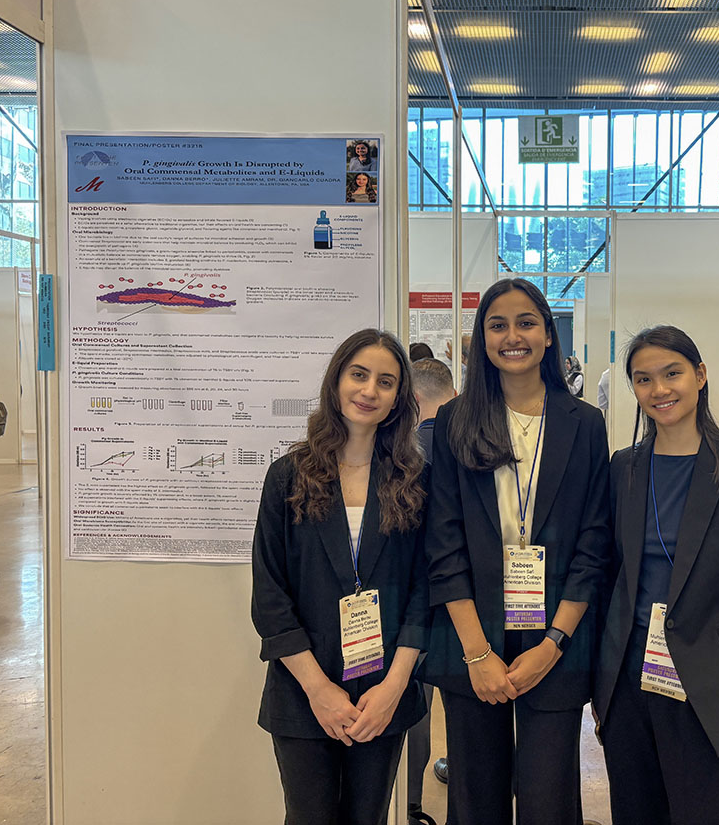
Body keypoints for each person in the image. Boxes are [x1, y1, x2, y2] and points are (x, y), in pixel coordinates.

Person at [593, 325, 719, 825]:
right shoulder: (623, 468)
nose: (659, 390)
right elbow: (608, 577)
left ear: (701, 375)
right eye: (643, 379)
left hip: (708, 683)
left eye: (672, 373)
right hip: (626, 680)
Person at [425, 277, 611, 825]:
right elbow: (444, 541)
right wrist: (478, 654)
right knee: (476, 798)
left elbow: (593, 542)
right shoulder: (455, 422)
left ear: (548, 335)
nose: (513, 336)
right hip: (470, 637)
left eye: (526, 322)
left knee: (548, 800)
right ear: (481, 338)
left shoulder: (584, 424)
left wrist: (554, 644)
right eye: (497, 324)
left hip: (557, 634)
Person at [251, 329, 429, 825]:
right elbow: (270, 596)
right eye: (359, 374)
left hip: (383, 692)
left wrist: (394, 687)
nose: (369, 390)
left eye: (386, 381)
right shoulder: (288, 476)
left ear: (398, 400)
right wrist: (319, 690)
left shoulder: (415, 481)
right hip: (303, 690)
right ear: (336, 382)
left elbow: (424, 592)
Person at [406, 356, 456, 824]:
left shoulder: (402, 452)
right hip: (467, 607)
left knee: (415, 701)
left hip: (414, 606)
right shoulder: (478, 444)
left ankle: (412, 801)